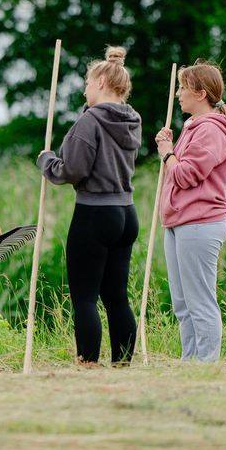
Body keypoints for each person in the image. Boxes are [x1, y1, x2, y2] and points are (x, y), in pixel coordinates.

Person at [37, 47, 141, 366]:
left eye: (86, 83)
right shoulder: (132, 119)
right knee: (116, 297)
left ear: (99, 82)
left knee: (84, 297)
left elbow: (74, 170)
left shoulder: (90, 121)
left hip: (95, 214)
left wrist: (47, 162)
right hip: (126, 213)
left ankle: (88, 365)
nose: (84, 90)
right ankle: (122, 363)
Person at [155, 60, 226, 362]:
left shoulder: (211, 131)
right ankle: (190, 363)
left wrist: (167, 154)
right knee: (182, 303)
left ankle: (206, 366)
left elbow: (185, 175)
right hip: (181, 222)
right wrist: (170, 148)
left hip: (200, 223)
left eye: (183, 88)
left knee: (200, 301)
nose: (179, 93)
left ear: (201, 93)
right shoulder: (193, 128)